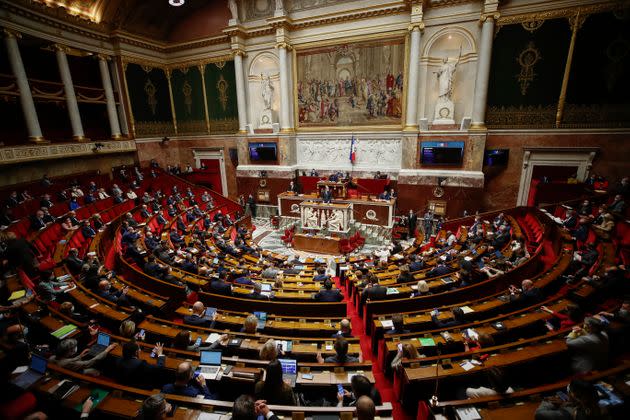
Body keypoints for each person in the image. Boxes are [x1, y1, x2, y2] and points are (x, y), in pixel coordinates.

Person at [534, 379, 602, 420]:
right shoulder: (596, 407)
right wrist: (566, 404)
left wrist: (549, 401)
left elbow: (538, 414)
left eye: (568, 391)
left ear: (573, 395)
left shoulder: (568, 414)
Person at [50, 338, 117, 376]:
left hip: (67, 370)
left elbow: (69, 360)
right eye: (74, 347)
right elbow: (89, 363)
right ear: (70, 351)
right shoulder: (68, 363)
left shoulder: (52, 357)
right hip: (74, 375)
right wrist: (106, 350)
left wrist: (80, 355)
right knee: (95, 371)